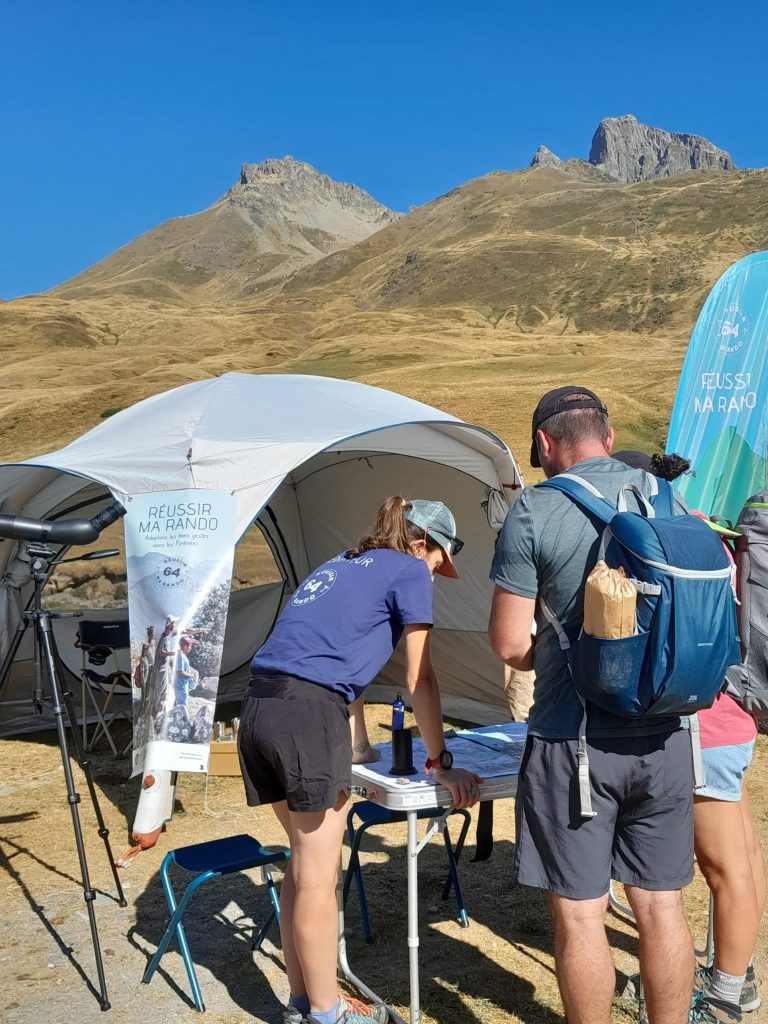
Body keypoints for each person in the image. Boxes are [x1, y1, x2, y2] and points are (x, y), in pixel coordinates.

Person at [488, 387, 695, 1024]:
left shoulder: (533, 511)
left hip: (571, 741)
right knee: (661, 907)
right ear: (607, 437)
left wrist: (561, 652)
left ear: (546, 445)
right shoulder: (667, 497)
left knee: (581, 915)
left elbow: (509, 642)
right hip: (667, 736)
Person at [237, 496, 482, 1024]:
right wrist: (440, 761)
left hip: (259, 709)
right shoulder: (409, 570)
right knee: (318, 875)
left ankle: (303, 1003)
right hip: (304, 716)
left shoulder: (341, 562)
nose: (436, 578)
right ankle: (329, 1014)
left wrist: (357, 748)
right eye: (440, 563)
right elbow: (421, 678)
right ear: (424, 544)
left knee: (303, 865)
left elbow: (334, 660)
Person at [615, 450, 766, 1022]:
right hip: (735, 713)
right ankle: (740, 976)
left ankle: (726, 997)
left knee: (725, 867)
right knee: (745, 856)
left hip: (703, 725)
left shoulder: (662, 540)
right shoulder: (706, 530)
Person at [172, 636, 197, 708]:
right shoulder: (180, 656)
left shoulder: (182, 655)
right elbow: (179, 672)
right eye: (190, 646)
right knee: (181, 707)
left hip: (182, 685)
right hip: (181, 686)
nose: (190, 648)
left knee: (177, 706)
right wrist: (191, 675)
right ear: (185, 646)